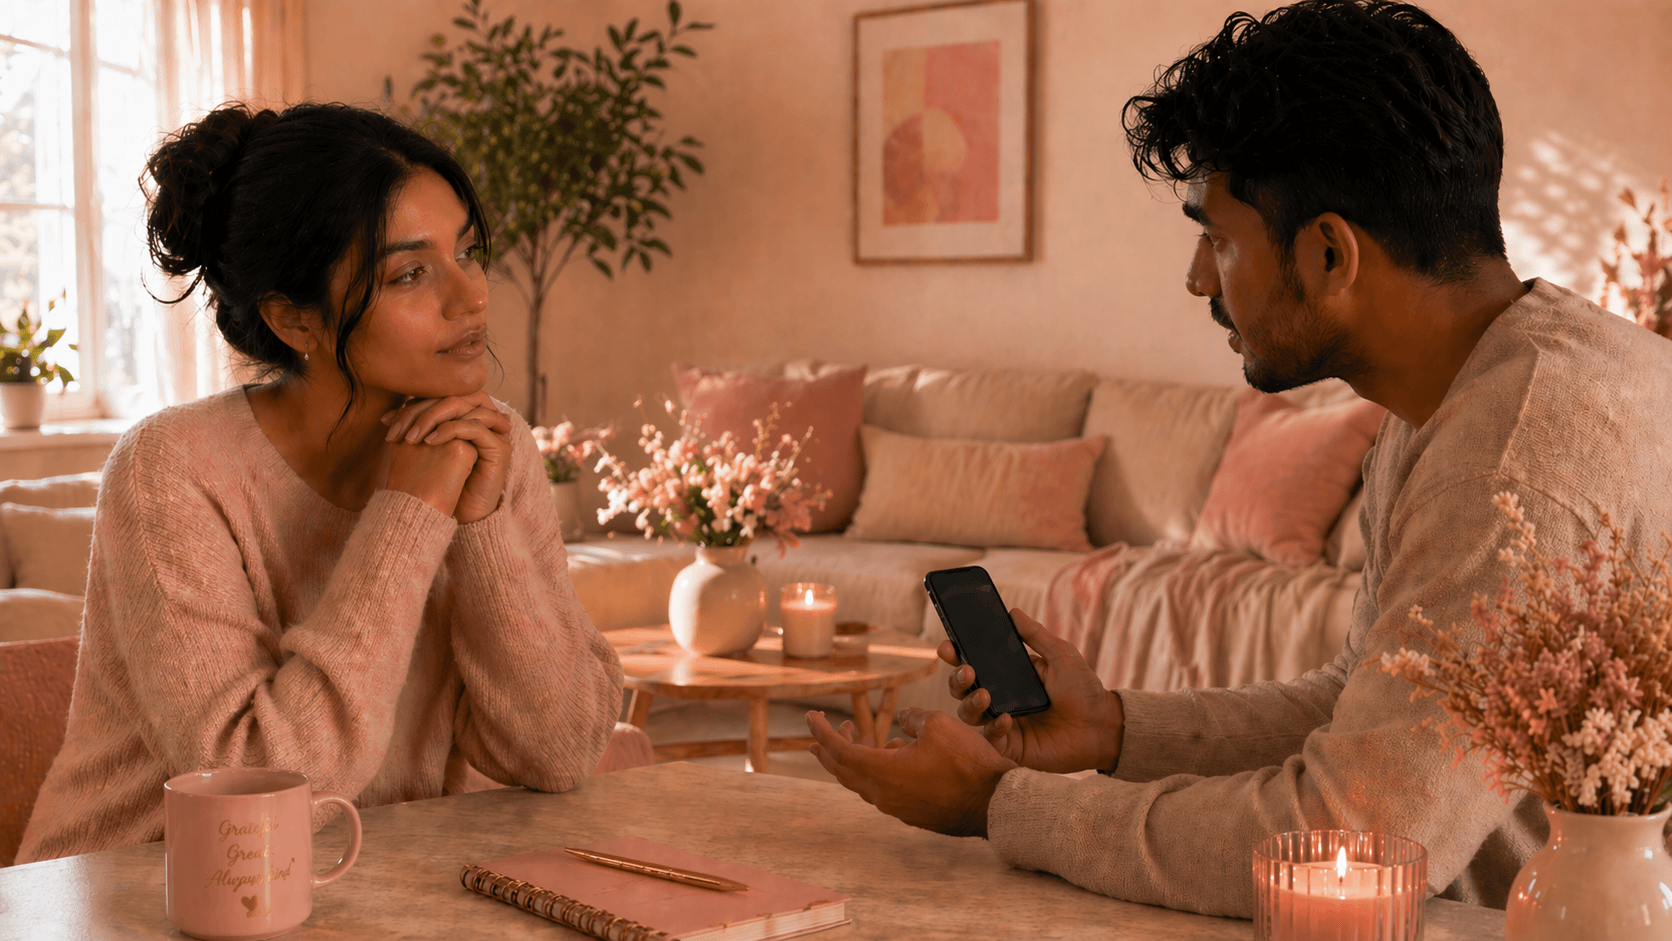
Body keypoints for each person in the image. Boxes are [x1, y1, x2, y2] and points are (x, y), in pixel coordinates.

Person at [806, 0, 1672, 916]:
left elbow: (1352, 837)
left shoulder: (1511, 463)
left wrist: (999, 803)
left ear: (1331, 253)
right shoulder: (1474, 386)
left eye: (1218, 238)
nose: (1196, 279)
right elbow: (1362, 707)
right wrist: (1114, 728)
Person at [16, 103, 626, 864]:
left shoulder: (489, 446)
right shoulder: (168, 470)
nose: (471, 296)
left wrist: (482, 526)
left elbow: (560, 750)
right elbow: (255, 792)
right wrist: (409, 514)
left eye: (468, 252)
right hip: (142, 895)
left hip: (366, 895)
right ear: (293, 321)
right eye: (410, 273)